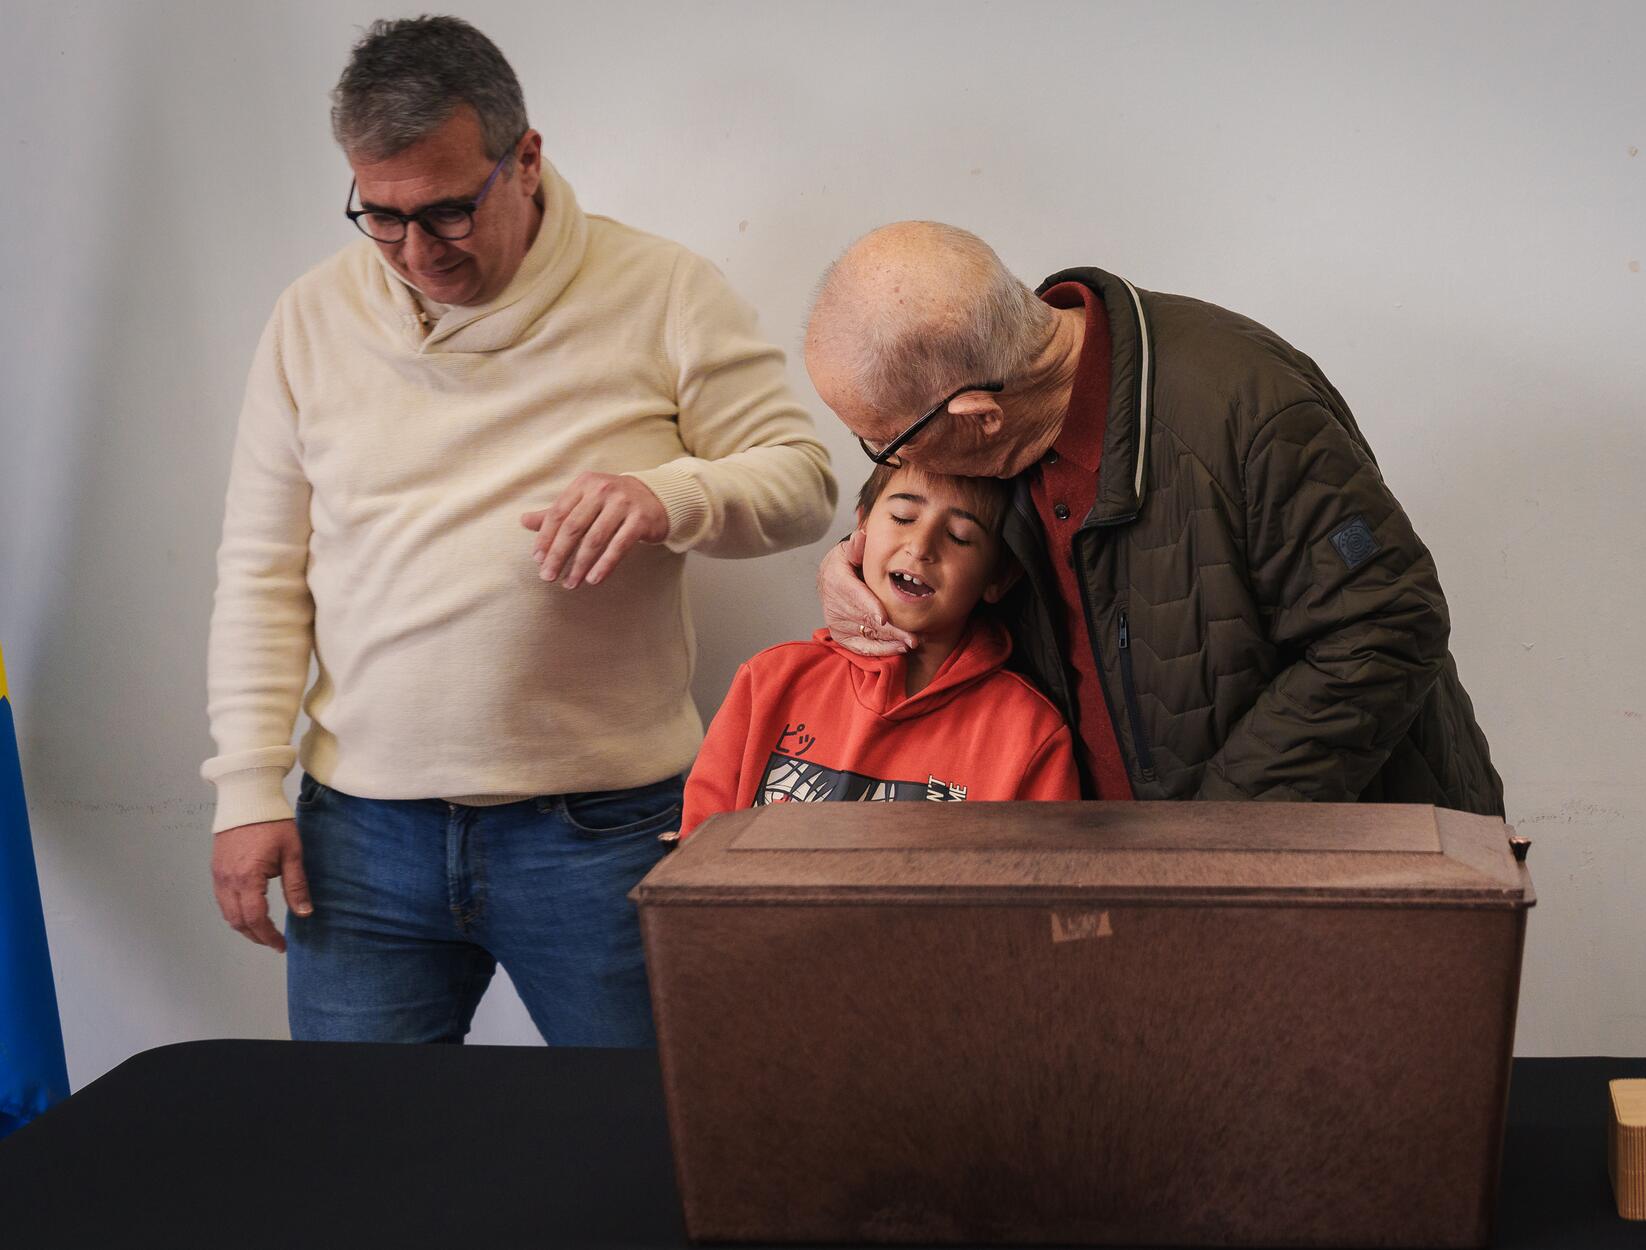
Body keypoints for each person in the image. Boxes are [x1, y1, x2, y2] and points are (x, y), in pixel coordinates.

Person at [202, 16, 835, 1045]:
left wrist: (668, 495)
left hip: (601, 829)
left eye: (448, 211)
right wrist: (242, 786)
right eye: (381, 215)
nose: (415, 251)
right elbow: (264, 571)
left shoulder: (663, 290)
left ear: (526, 158)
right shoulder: (309, 317)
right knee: (357, 1163)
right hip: (359, 836)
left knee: (648, 1155)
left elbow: (804, 483)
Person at [807, 222, 1502, 813]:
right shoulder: (1004, 398)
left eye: (883, 442)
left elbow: (1385, 627)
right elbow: (941, 541)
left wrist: (1210, 847)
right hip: (1144, 881)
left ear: (979, 418)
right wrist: (854, 563)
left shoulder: (1247, 408)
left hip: (1341, 874)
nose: (883, 457)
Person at [676, 461, 1080, 837]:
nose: (921, 546)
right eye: (903, 517)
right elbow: (696, 859)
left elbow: (1041, 899)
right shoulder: (767, 681)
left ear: (999, 577)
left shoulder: (1029, 731)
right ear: (862, 528)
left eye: (959, 536)